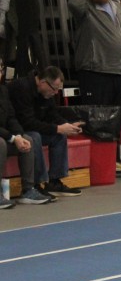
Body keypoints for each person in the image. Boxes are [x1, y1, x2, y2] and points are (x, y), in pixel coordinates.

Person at [8, 66, 84, 198]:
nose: (56, 93)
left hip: (31, 127)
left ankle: (54, 181)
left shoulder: (46, 92)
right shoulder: (21, 88)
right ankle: (36, 184)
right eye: (54, 89)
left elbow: (52, 114)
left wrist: (67, 125)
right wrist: (57, 128)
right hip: (17, 130)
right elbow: (27, 123)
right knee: (35, 137)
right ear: (43, 82)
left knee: (59, 136)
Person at [68, 0, 121, 120]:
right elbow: (74, 3)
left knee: (119, 118)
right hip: (95, 71)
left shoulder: (117, 8)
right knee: (98, 120)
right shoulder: (87, 10)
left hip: (118, 71)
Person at [0, 85, 52, 207]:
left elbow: (11, 118)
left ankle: (28, 190)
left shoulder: (3, 90)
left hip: (5, 135)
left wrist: (19, 135)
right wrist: (13, 138)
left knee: (27, 139)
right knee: (0, 143)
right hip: (2, 138)